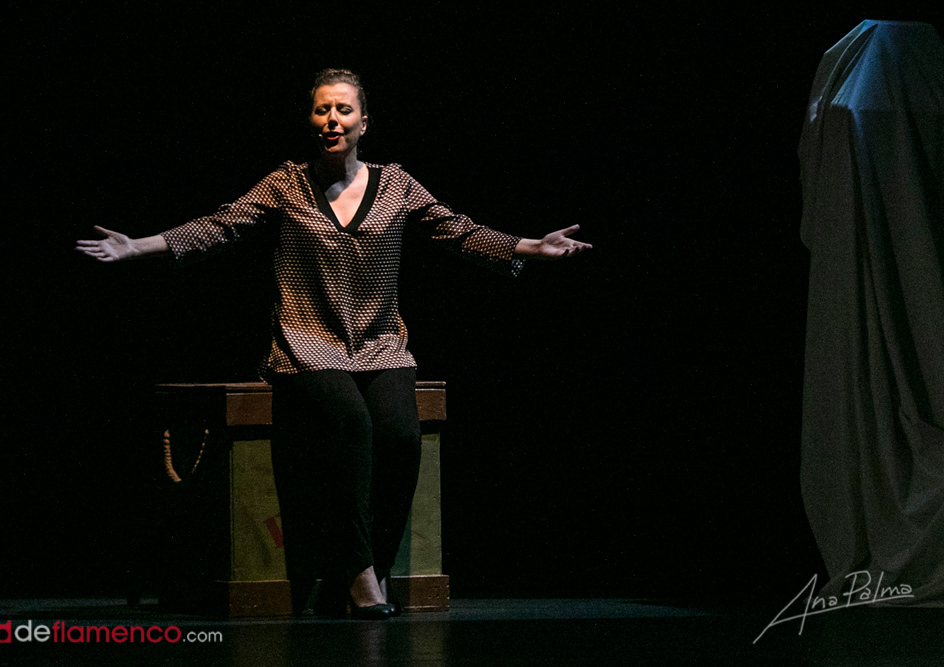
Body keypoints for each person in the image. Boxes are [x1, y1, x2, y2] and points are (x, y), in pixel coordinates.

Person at [77, 68, 591, 619]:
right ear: (311, 121)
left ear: (363, 122)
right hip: (306, 344)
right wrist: (138, 246)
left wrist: (529, 246)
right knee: (351, 424)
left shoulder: (397, 185)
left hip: (381, 343)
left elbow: (457, 229)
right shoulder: (286, 184)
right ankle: (360, 577)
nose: (332, 120)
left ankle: (375, 568)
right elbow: (220, 225)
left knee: (400, 438)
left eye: (344, 110)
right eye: (322, 109)